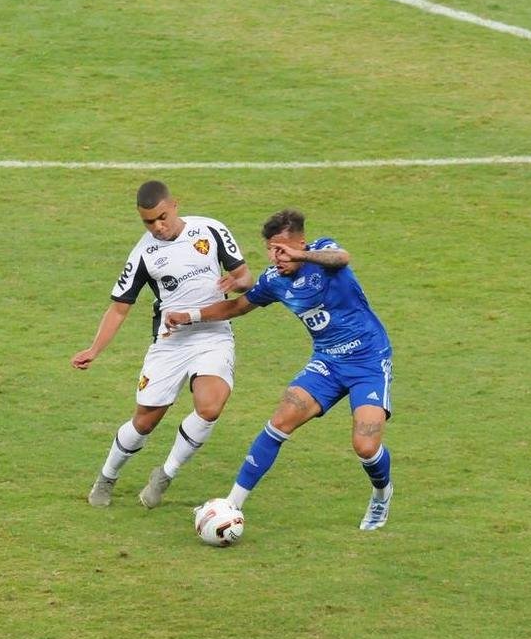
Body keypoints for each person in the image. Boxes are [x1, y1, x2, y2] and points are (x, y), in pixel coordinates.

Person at [165, 209, 394, 530]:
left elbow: (342, 257)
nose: (277, 257)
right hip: (327, 362)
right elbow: (236, 306)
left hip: (368, 360)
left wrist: (302, 255)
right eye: (271, 249)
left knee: (365, 446)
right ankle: (232, 504)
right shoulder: (274, 280)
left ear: (301, 243)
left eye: (284, 249)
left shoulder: (324, 254)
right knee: (279, 421)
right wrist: (189, 316)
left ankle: (381, 495)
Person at [71, 180, 253, 508]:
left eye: (162, 217)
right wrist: (94, 349)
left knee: (210, 406)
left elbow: (245, 277)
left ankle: (165, 474)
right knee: (145, 421)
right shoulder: (144, 253)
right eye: (148, 222)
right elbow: (119, 307)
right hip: (170, 343)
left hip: (213, 334)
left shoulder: (211, 230)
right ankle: (107, 476)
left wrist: (237, 281)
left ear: (175, 205)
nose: (157, 226)